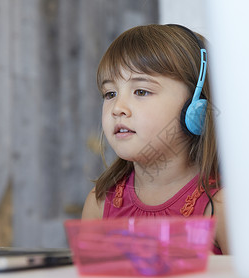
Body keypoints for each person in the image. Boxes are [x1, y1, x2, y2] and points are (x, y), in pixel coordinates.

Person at [81, 24, 228, 254]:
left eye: (141, 91)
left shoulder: (221, 205)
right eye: (110, 94)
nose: (117, 108)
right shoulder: (100, 202)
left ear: (195, 108)